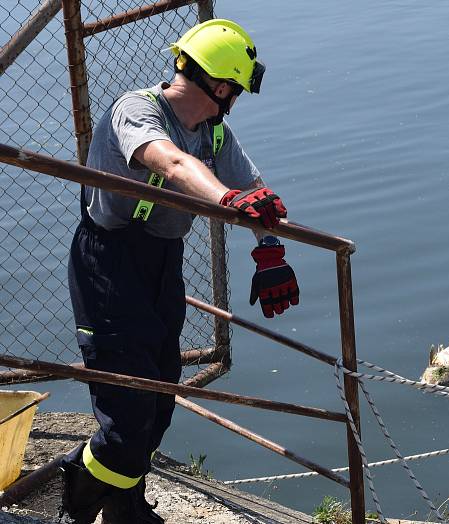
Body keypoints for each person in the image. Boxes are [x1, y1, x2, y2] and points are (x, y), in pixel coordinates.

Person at [60, 19, 299, 524]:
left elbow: (254, 189)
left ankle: (125, 502)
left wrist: (270, 250)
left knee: (162, 394)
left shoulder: (214, 133)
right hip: (108, 262)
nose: (236, 98)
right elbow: (169, 163)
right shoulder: (137, 110)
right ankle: (79, 488)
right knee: (128, 411)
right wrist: (228, 199)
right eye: (237, 87)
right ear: (221, 85)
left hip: (161, 264)